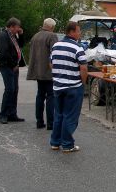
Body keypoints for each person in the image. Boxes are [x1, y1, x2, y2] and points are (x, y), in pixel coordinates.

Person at [50, 21, 88, 153]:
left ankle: (55, 142)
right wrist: (83, 82)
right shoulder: (78, 48)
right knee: (70, 116)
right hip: (73, 86)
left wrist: (57, 76)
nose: (80, 33)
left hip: (58, 85)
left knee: (58, 115)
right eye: (78, 31)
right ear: (72, 32)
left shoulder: (56, 46)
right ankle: (67, 144)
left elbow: (51, 64)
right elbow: (83, 68)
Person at [26, 18, 59, 129]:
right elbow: (55, 53)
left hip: (38, 71)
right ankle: (50, 123)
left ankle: (39, 121)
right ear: (51, 27)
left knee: (40, 95)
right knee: (50, 97)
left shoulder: (35, 36)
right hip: (48, 71)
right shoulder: (52, 36)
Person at [0, 18, 25, 124]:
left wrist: (21, 34)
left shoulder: (13, 36)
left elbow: (20, 46)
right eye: (18, 27)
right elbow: (4, 52)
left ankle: (12, 114)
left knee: (15, 89)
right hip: (7, 66)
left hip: (14, 66)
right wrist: (13, 64)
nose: (19, 29)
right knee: (9, 89)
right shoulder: (4, 36)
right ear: (12, 26)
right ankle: (3, 114)